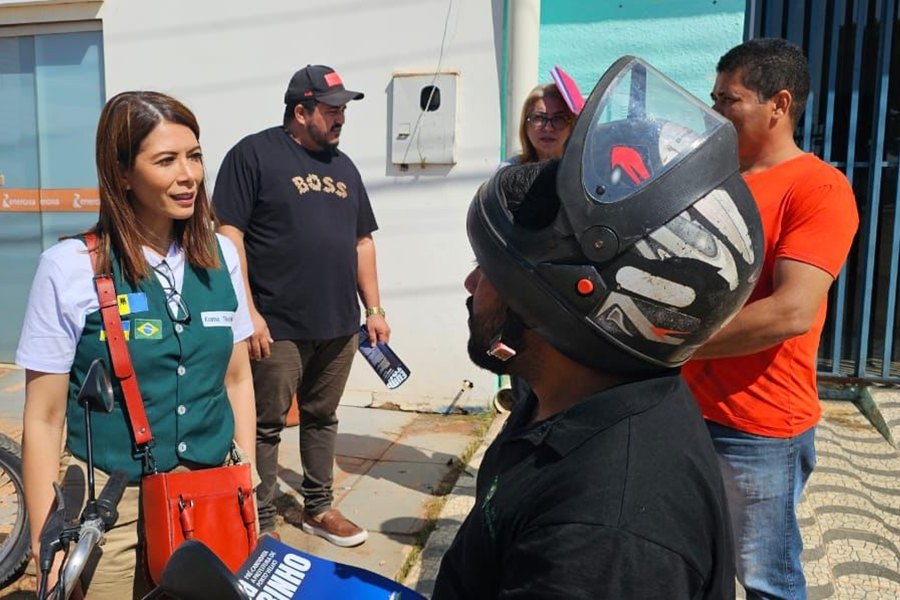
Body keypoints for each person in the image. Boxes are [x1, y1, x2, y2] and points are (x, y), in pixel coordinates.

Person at [434, 56, 765, 599]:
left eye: (490, 269)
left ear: (564, 301)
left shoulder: (602, 540)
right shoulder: (569, 400)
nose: (472, 283)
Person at [18, 91, 256, 598]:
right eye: (166, 160)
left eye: (194, 155)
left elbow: (236, 378)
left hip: (209, 490)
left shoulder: (222, 254)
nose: (188, 174)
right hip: (112, 505)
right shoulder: (69, 268)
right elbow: (43, 418)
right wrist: (49, 541)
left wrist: (245, 482)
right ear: (122, 173)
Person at [683, 38, 859, 599]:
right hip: (686, 408)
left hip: (758, 427)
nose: (716, 113)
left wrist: (673, 345)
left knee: (765, 579)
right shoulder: (714, 179)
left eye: (728, 100)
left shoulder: (819, 187)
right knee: (693, 559)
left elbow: (791, 311)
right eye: (713, 98)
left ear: (778, 105)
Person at [214, 64, 389, 548]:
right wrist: (246, 312)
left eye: (343, 110)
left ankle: (318, 508)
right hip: (278, 322)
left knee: (322, 416)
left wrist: (373, 310)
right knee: (265, 423)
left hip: (337, 323)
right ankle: (261, 518)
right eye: (332, 110)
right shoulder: (254, 155)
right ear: (301, 110)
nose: (341, 120)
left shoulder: (344, 167)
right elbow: (230, 236)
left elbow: (362, 242)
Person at [508, 83, 576, 165]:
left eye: (558, 119)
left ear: (571, 127)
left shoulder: (584, 172)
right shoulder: (509, 171)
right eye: (539, 118)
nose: (548, 128)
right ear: (526, 126)